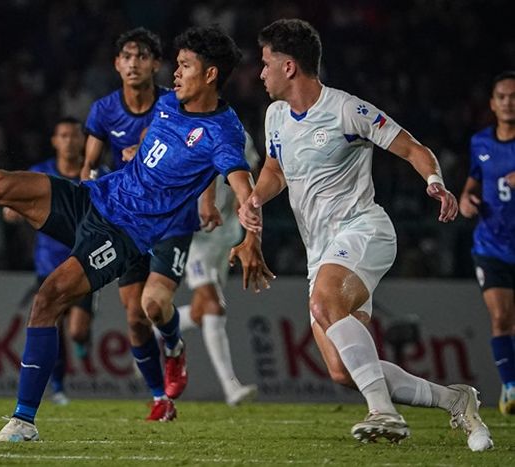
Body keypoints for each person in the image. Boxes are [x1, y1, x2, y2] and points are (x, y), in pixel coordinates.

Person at [0, 25, 273, 442]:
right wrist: (137, 150)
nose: (174, 73)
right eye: (175, 65)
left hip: (124, 234)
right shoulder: (167, 102)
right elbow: (155, 141)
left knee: (52, 298)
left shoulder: (223, 133)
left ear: (210, 74)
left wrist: (249, 235)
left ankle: (25, 420)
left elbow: (241, 186)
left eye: (184, 66)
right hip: (93, 197)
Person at [235, 18, 492, 450]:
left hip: (364, 230)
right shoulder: (276, 116)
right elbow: (275, 170)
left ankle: (383, 413)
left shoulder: (346, 110)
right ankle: (456, 399)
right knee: (342, 370)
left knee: (323, 302)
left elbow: (412, 147)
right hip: (322, 253)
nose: (259, 73)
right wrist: (256, 199)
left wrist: (434, 183)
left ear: (290, 66)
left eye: (265, 63)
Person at [79, 27, 183, 421]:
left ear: (156, 64)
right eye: (127, 56)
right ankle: (160, 397)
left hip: (171, 217)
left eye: (142, 56)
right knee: (135, 317)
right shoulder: (104, 110)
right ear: (116, 64)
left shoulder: (172, 105)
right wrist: (89, 190)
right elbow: (88, 167)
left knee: (154, 304)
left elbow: (190, 148)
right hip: (128, 220)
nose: (134, 63)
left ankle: (174, 345)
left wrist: (145, 154)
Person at [3, 117, 99, 406]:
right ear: (55, 142)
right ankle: (58, 388)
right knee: (51, 322)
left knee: (77, 330)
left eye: (74, 136)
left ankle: (83, 341)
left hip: (84, 260)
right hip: (48, 263)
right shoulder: (40, 173)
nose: (69, 141)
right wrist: (13, 211)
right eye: (63, 135)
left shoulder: (94, 173)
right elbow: (15, 202)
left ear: (84, 141)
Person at [176, 131, 260, 406]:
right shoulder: (181, 129)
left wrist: (242, 198)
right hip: (194, 235)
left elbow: (250, 167)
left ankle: (150, 332)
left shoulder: (236, 132)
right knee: (213, 306)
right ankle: (230, 387)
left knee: (202, 311)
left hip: (224, 234)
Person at [459, 71, 515, 416]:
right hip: (491, 245)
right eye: (503, 96)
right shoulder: (481, 143)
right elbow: (473, 184)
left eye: (514, 96)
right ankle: (510, 388)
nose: (509, 102)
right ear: (493, 104)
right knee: (500, 318)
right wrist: (467, 200)